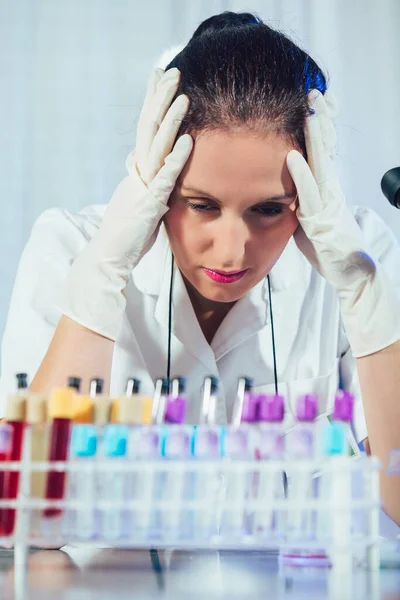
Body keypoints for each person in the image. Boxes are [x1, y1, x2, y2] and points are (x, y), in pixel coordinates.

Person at [1, 11, 400, 525]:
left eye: (269, 209)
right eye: (201, 205)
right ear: (160, 184)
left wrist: (367, 302)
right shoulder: (70, 247)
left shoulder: (360, 256)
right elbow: (22, 517)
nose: (232, 251)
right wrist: (101, 275)